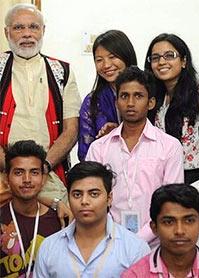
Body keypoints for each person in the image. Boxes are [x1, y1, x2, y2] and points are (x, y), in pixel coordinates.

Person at [86, 66, 184, 246]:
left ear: (151, 102)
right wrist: (116, 241)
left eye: (138, 96)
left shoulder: (169, 146)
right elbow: (92, 199)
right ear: (117, 102)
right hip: (108, 244)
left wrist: (137, 241)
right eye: (124, 96)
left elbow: (171, 202)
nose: (130, 103)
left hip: (156, 245)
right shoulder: (99, 148)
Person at [0, 3, 81, 203]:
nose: (27, 34)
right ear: (6, 32)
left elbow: (71, 130)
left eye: (33, 27)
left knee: (56, 231)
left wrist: (42, 168)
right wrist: (12, 169)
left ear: (43, 31)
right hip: (2, 175)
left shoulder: (62, 71)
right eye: (19, 27)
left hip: (49, 175)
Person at [33, 161, 150, 277]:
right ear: (68, 198)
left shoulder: (135, 248)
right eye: (77, 195)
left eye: (94, 194)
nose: (84, 201)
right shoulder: (49, 247)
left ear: (109, 198)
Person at [0, 140, 63, 277]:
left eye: (34, 172)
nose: (27, 179)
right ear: (6, 178)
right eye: (18, 172)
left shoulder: (60, 222)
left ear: (43, 178)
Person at [144, 33, 199, 184]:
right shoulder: (155, 98)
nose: (162, 62)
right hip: (164, 176)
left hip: (195, 178)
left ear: (183, 61)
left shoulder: (197, 92)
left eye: (169, 55)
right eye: (155, 58)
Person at [78, 29, 137, 161]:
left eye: (112, 57)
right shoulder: (91, 102)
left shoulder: (149, 92)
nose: (106, 65)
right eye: (99, 60)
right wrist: (104, 141)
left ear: (127, 56)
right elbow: (85, 155)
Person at [122, 183, 199, 277]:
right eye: (168, 222)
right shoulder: (135, 275)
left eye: (189, 220)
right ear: (154, 228)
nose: (179, 231)